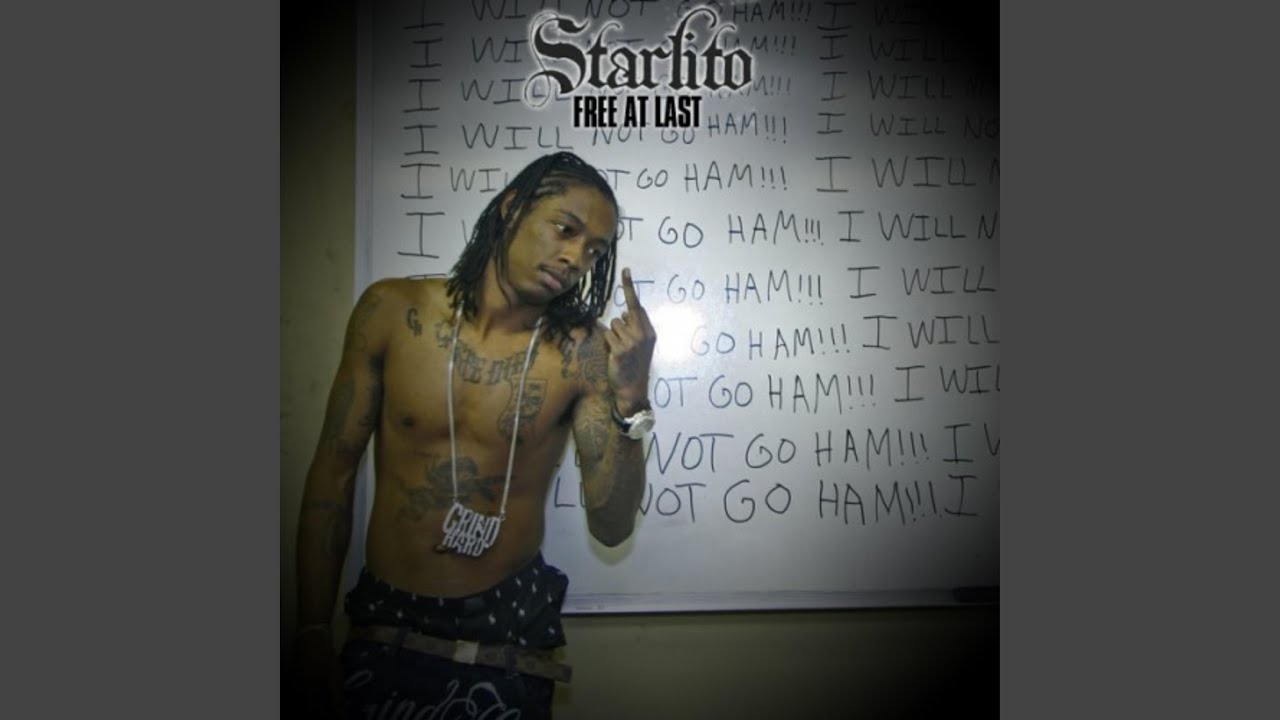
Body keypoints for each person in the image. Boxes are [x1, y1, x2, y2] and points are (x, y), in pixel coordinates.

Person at [291, 151, 657, 719]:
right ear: (512, 208)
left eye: (594, 251)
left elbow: (611, 529)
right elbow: (331, 478)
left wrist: (632, 402)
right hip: (383, 623)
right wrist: (313, 628)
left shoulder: (582, 353)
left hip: (508, 632)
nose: (576, 259)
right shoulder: (391, 312)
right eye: (566, 230)